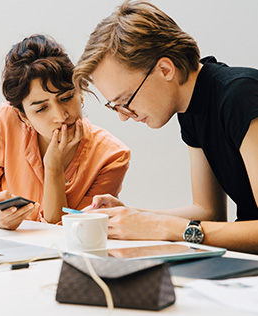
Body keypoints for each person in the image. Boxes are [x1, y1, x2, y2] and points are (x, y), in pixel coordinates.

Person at [73, 0, 258, 254]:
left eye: (126, 100)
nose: (124, 117)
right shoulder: (190, 109)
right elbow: (208, 212)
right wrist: (131, 215)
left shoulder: (241, 97)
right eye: (115, 106)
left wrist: (164, 227)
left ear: (165, 69)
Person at [0, 34, 130, 229]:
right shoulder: (5, 123)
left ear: (80, 93)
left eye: (66, 98)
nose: (61, 116)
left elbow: (66, 230)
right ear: (23, 116)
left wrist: (54, 167)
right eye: (41, 109)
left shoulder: (112, 156)